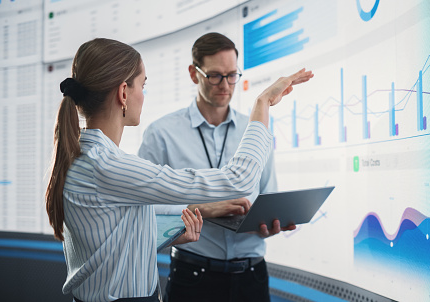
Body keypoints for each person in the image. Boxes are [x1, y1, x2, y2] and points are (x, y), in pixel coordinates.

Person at [45, 37, 313, 302]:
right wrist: (262, 104)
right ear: (123, 93)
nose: (143, 95)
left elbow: (114, 240)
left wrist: (174, 230)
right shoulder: (107, 165)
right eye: (143, 85)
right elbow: (239, 180)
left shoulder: (88, 157)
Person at [138, 32, 295, 302]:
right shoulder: (161, 134)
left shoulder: (256, 130)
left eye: (232, 75)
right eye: (215, 75)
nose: (225, 85)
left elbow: (268, 194)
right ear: (193, 73)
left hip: (252, 276)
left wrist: (268, 224)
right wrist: (202, 210)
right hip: (193, 276)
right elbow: (141, 210)